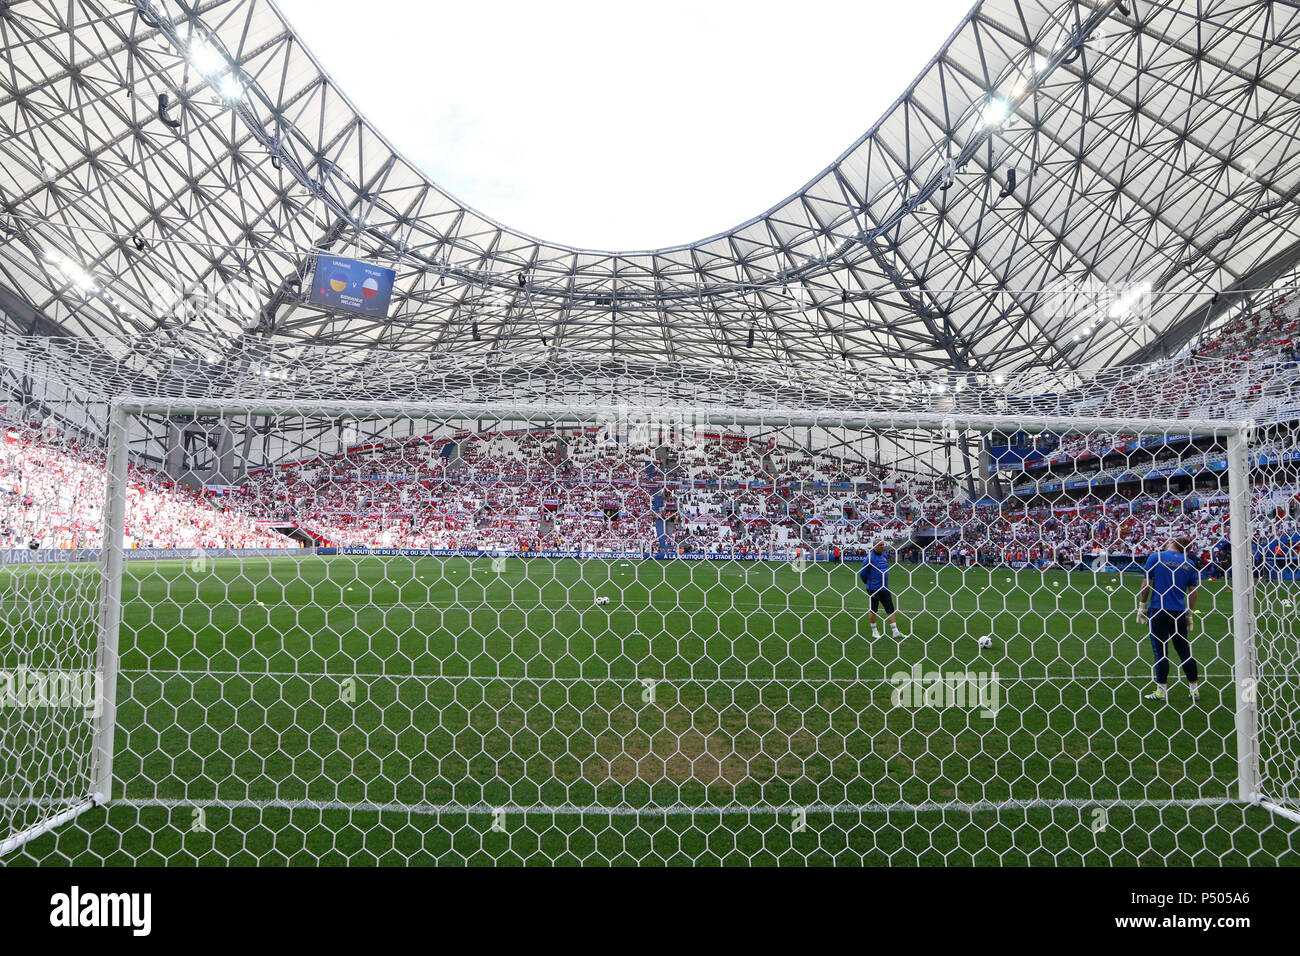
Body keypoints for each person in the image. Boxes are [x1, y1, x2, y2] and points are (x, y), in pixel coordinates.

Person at [1136, 535, 1201, 702]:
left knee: (1161, 651)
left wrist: (1142, 606)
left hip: (1159, 609)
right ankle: (1194, 690)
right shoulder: (1189, 563)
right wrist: (1189, 614)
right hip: (1178, 612)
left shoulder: (1156, 557)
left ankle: (1161, 691)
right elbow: (1193, 593)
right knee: (1184, 651)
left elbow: (1146, 584)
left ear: (1172, 543)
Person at [859, 540, 903, 639]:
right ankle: (874, 631)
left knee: (890, 609)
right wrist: (868, 582)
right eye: (880, 545)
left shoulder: (884, 555)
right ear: (874, 546)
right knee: (874, 610)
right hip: (874, 588)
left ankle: (895, 631)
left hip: (885, 587)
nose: (882, 547)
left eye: (883, 545)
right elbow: (862, 574)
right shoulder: (869, 558)